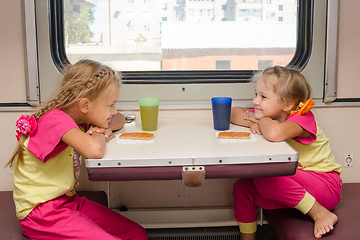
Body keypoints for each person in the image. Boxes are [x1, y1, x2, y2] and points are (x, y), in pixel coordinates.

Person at [7, 59, 148, 240]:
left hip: (68, 202)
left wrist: (106, 128)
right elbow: (94, 150)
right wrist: (99, 133)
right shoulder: (55, 120)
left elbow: (119, 119)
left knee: (136, 233)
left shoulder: (79, 118)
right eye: (110, 105)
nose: (114, 111)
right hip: (42, 214)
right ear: (84, 106)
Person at [231, 66, 342, 240]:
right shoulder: (273, 115)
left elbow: (275, 133)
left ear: (288, 104)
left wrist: (261, 121)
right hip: (296, 184)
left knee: (265, 175)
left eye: (263, 97)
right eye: (255, 95)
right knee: (242, 188)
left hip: (324, 185)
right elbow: (234, 113)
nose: (255, 101)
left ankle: (320, 213)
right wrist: (259, 121)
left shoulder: (302, 120)